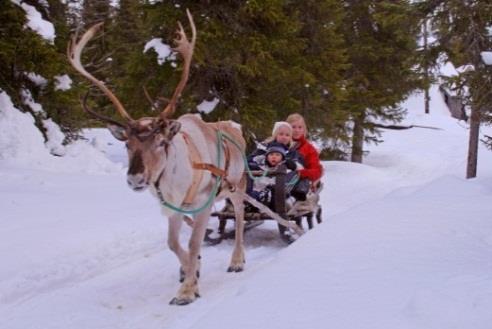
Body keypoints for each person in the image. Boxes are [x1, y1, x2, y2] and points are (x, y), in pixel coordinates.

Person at [286, 113, 323, 182]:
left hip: (296, 183)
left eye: (300, 127)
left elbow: (316, 171)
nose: (297, 130)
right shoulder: (279, 142)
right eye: (293, 127)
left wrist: (299, 173)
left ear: (304, 129)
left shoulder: (309, 148)